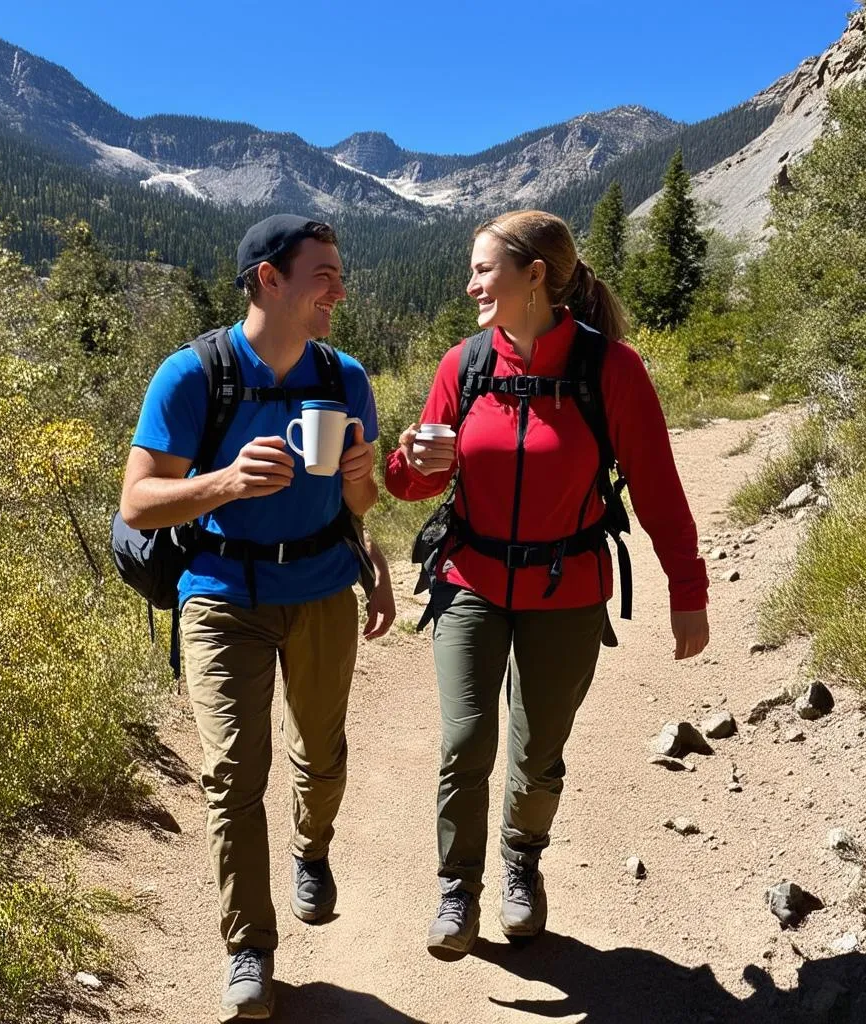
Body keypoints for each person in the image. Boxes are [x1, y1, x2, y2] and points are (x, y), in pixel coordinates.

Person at [384, 210, 709, 961]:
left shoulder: (610, 370)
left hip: (568, 590)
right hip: (471, 579)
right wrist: (412, 462)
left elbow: (659, 489)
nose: (470, 284)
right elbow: (407, 481)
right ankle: (457, 891)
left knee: (538, 755)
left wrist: (688, 588)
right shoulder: (462, 366)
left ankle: (522, 867)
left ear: (535, 275)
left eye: (483, 269)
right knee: (466, 741)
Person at [120, 214, 395, 1021]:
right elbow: (138, 501)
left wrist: (358, 479)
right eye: (324, 274)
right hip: (220, 593)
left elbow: (364, 503)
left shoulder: (346, 380)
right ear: (268, 280)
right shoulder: (192, 375)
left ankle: (313, 848)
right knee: (233, 775)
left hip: (319, 589)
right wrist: (227, 481)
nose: (340, 290)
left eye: (341, 273)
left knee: (322, 750)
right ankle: (249, 947)